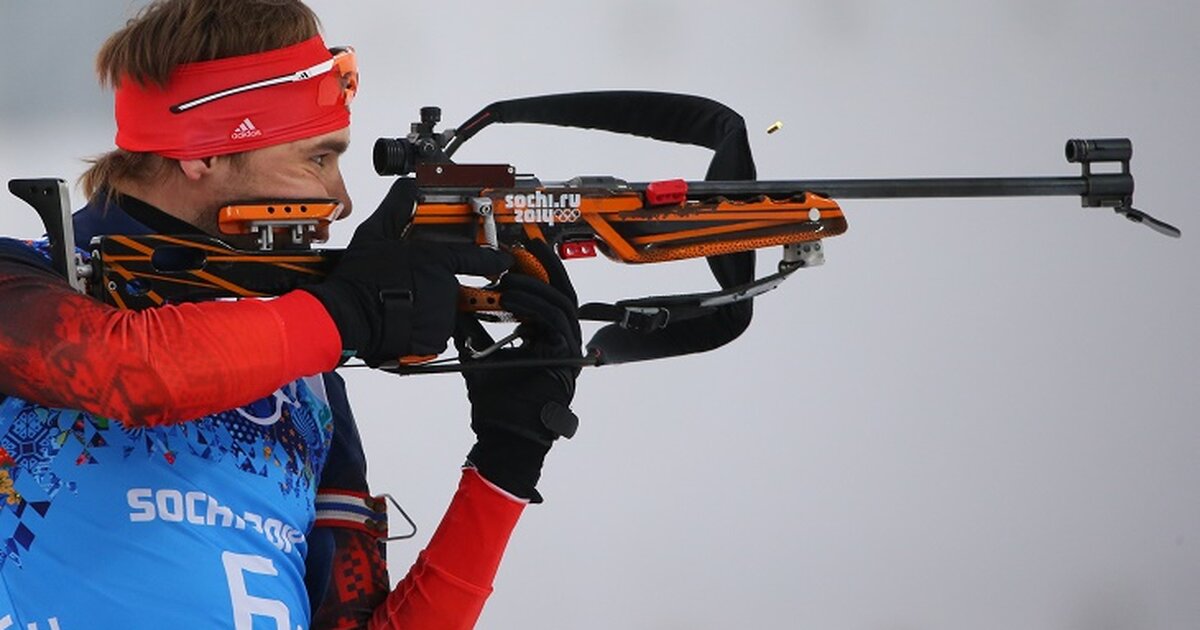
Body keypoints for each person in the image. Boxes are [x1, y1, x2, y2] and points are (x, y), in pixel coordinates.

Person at [0, 1, 582, 628]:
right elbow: (129, 371)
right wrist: (346, 311)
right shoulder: (22, 277)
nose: (341, 199)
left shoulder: (307, 375)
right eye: (318, 159)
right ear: (202, 152)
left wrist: (504, 464)